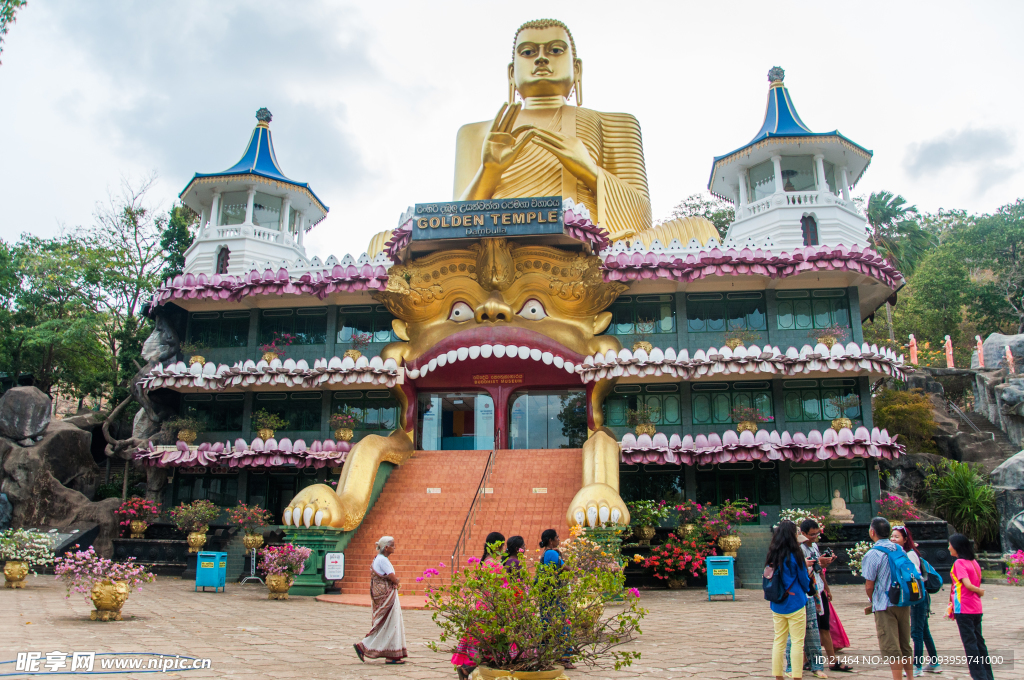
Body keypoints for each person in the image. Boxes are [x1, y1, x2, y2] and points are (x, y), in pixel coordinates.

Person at [861, 517, 913, 680]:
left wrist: (872, 600)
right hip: (903, 601)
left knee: (891, 646)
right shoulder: (899, 550)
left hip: (885, 604)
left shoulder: (873, 554)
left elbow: (869, 585)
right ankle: (910, 677)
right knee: (905, 644)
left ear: (872, 532)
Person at [451, 532, 508, 678]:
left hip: (482, 605)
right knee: (490, 642)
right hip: (491, 606)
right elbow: (499, 587)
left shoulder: (484, 562)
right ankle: (468, 668)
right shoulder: (493, 564)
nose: (503, 547)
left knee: (483, 641)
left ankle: (467, 669)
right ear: (498, 545)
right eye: (502, 544)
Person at [767, 520, 814, 680]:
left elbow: (767, 577)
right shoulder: (796, 555)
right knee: (797, 642)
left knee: (779, 640)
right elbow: (803, 579)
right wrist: (809, 585)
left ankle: (778, 675)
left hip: (777, 602)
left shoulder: (772, 554)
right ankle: (796, 675)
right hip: (795, 602)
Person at [892, 526, 941, 676]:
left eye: (897, 537)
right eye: (892, 536)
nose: (893, 539)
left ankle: (917, 667)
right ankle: (934, 663)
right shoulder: (901, 554)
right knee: (924, 630)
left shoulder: (910, 555)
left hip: (917, 597)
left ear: (905, 539)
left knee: (916, 632)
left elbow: (914, 578)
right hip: (914, 597)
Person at [354, 536, 408, 664]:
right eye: (393, 545)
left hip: (382, 595)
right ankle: (364, 646)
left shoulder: (378, 559)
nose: (394, 548)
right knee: (390, 623)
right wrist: (397, 581)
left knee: (387, 624)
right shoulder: (383, 560)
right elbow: (392, 577)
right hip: (387, 595)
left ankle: (390, 653)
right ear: (386, 547)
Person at [785, 526, 829, 679]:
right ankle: (792, 666)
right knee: (795, 635)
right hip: (796, 597)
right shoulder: (787, 556)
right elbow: (802, 579)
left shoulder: (799, 552)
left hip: (806, 596)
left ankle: (816, 665)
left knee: (812, 632)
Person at [948, 534, 993, 680]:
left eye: (950, 545)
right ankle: (987, 675)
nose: (948, 547)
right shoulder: (974, 562)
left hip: (964, 608)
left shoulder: (959, 563)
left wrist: (978, 591)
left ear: (956, 547)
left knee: (970, 645)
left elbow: (967, 584)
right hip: (976, 608)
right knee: (979, 643)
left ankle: (978, 676)